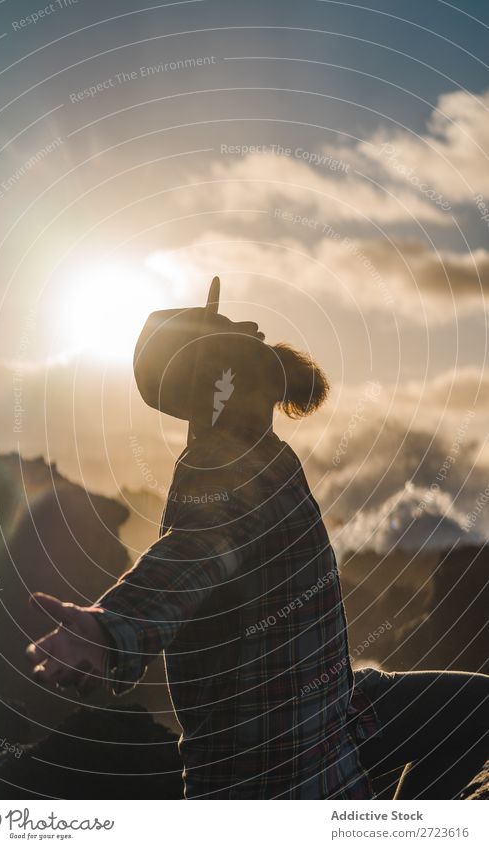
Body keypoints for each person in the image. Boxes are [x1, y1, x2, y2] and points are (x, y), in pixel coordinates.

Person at [27, 278, 488, 799]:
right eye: (236, 342)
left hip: (331, 706)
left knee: (475, 709)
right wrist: (111, 630)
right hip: (279, 761)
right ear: (226, 375)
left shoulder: (248, 449)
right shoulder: (224, 465)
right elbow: (194, 552)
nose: (256, 336)